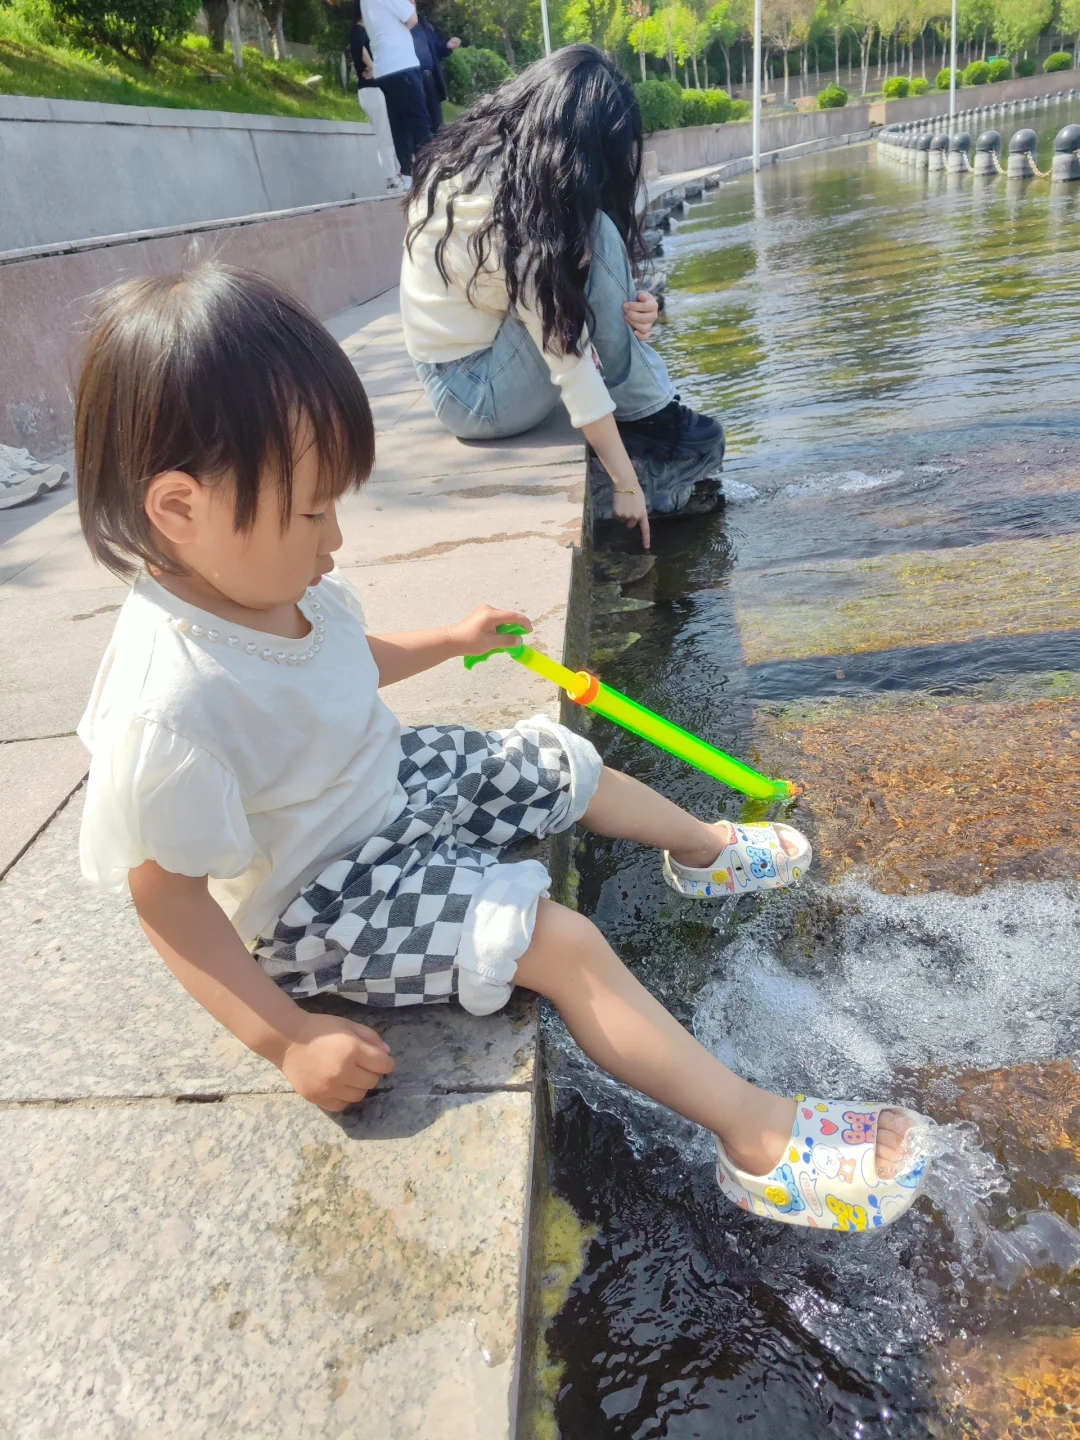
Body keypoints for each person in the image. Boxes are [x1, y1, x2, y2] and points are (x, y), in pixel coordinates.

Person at [72, 263, 928, 1234]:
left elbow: (340, 664)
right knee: (560, 941)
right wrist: (289, 1039)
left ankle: (703, 848)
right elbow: (168, 901)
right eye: (313, 512)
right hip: (324, 895)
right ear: (179, 508)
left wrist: (448, 640)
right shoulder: (169, 704)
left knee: (558, 763)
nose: (336, 539)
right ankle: (760, 1139)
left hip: (383, 785)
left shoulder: (264, 582)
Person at [400, 45, 726, 550]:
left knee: (584, 239)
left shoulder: (490, 162)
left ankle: (648, 408)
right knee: (589, 231)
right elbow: (567, 357)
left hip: (462, 373)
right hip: (477, 393)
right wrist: (626, 483)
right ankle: (652, 420)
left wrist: (636, 307)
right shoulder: (508, 211)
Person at [359, 0, 432, 181]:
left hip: (384, 70)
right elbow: (412, 19)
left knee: (399, 124)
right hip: (402, 64)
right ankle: (430, 171)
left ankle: (408, 175)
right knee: (419, 120)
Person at [350, 8, 404, 193]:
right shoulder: (358, 30)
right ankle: (391, 179)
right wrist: (374, 67)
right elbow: (359, 48)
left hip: (379, 88)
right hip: (370, 90)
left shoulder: (371, 31)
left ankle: (397, 174)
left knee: (390, 132)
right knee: (384, 134)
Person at [411, 6, 460, 133]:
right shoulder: (399, 27)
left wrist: (448, 46)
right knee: (420, 123)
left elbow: (436, 50)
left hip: (430, 79)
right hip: (413, 79)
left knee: (437, 125)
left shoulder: (424, 24)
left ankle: (437, 151)